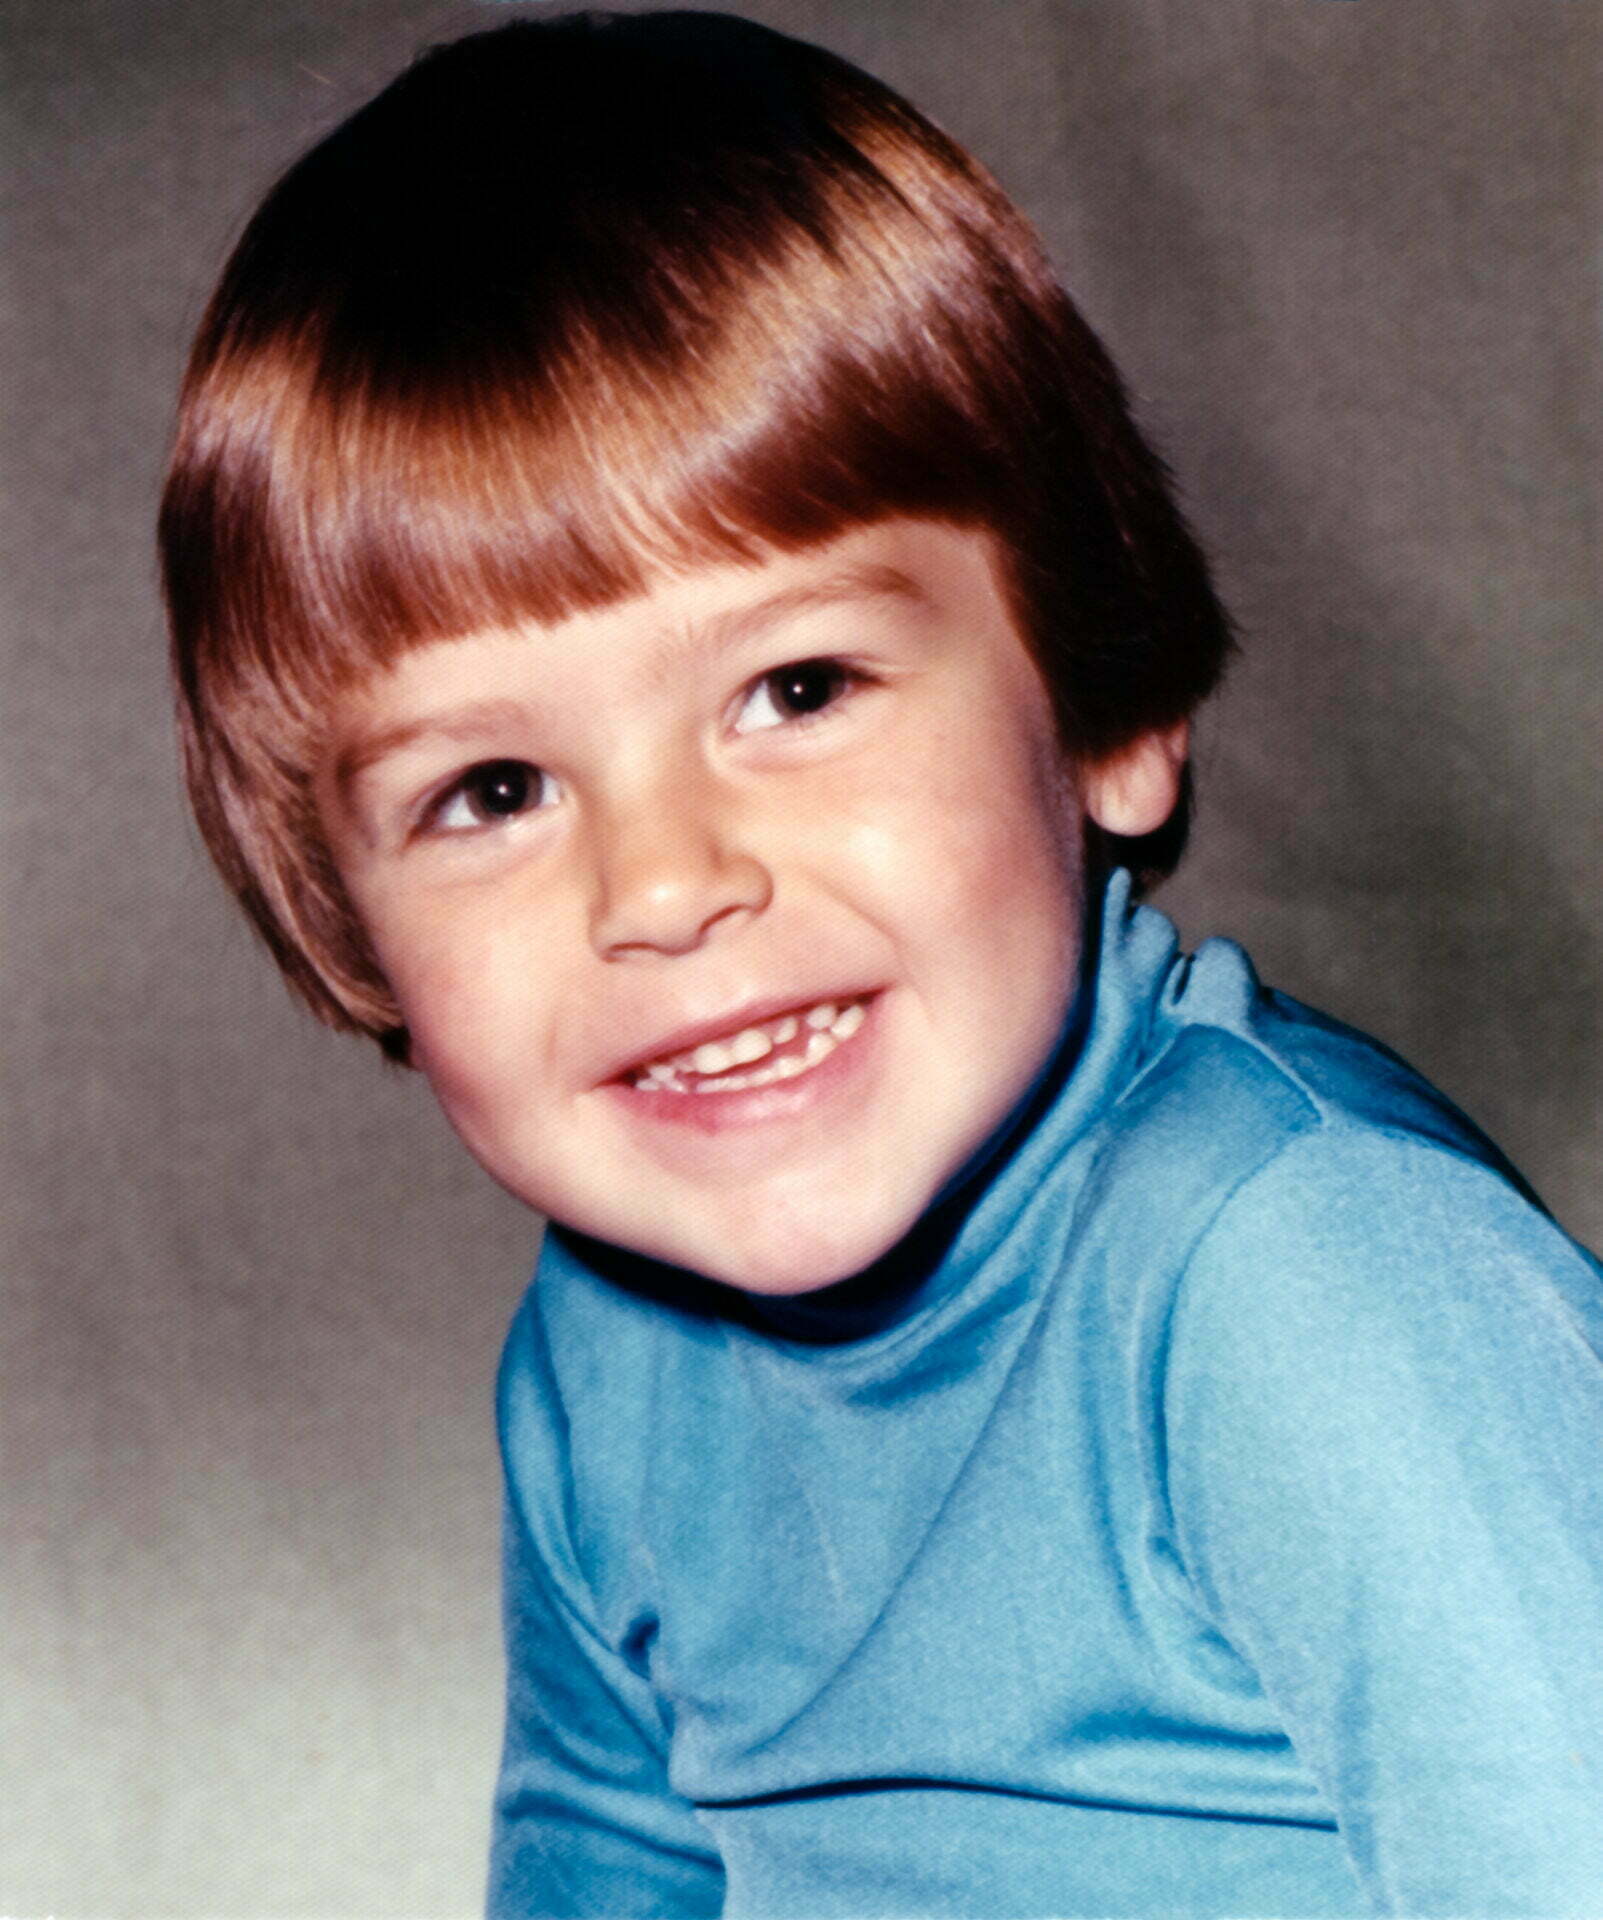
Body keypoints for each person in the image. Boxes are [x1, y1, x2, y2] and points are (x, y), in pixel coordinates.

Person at [158, 11, 1603, 1916]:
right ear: (348, 937)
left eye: (798, 687)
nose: (663, 885)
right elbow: (603, 1878)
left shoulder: (1298, 1281)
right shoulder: (607, 1359)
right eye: (495, 787)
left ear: (1104, 708)